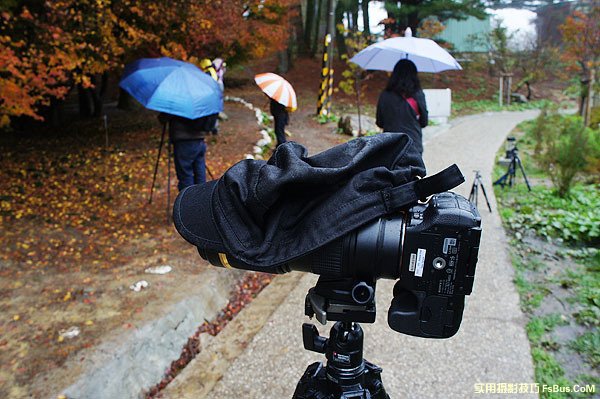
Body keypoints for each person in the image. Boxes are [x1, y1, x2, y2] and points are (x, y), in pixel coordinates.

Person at [376, 59, 428, 154]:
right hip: (413, 145)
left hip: (390, 145)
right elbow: (424, 122)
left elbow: (380, 122)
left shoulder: (385, 95)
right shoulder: (418, 94)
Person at [158, 112, 218, 190]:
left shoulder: (177, 101)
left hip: (184, 142)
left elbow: (163, 118)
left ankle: (188, 200)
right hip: (200, 140)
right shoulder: (199, 101)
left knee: (185, 174)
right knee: (200, 171)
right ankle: (202, 196)